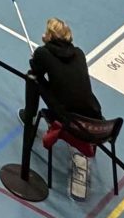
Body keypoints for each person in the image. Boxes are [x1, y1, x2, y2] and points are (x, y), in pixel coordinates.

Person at [19, 16, 103, 168]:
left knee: (32, 78)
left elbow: (36, 70)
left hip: (66, 117)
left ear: (49, 35)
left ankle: (29, 117)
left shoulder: (43, 53)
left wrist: (36, 58)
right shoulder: (79, 53)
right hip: (93, 115)